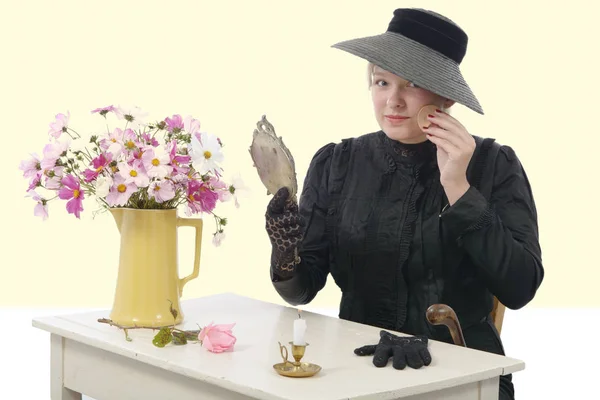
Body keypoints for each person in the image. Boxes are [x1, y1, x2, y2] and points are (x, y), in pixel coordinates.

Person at [264, 8, 543, 400]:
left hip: (463, 372)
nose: (392, 101)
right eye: (381, 82)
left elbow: (520, 288)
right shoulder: (338, 163)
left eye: (411, 85)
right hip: (358, 367)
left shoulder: (494, 165)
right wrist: (285, 249)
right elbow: (302, 291)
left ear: (444, 97)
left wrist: (459, 187)